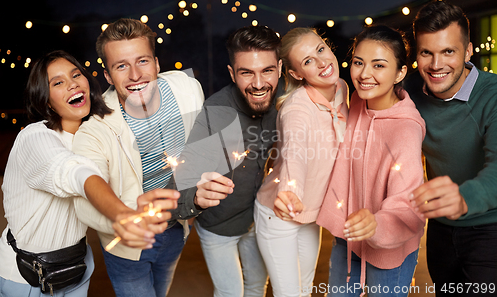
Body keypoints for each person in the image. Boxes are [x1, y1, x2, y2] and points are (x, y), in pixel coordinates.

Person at [0, 50, 179, 297]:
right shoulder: (35, 137)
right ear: (46, 99)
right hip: (27, 277)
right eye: (58, 82)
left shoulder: (97, 135)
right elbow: (75, 172)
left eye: (76, 75)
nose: (72, 84)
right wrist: (122, 214)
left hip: (77, 269)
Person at [71, 18, 224, 297]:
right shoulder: (95, 129)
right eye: (121, 66)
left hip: (177, 229)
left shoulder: (187, 89)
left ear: (156, 64)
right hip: (126, 247)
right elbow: (84, 198)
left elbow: (199, 146)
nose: (134, 75)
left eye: (142, 61)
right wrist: (126, 219)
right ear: (107, 76)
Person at [170, 25, 283, 297]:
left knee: (257, 286)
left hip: (258, 219)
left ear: (280, 68)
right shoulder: (215, 113)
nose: (258, 84)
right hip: (218, 228)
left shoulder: (287, 100)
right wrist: (197, 196)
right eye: (247, 73)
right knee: (231, 293)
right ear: (232, 73)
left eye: (267, 70)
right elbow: (177, 186)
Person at [317, 25, 426, 297]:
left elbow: (409, 203)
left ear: (400, 72)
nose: (364, 74)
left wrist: (377, 224)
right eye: (358, 63)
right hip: (348, 235)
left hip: (389, 247)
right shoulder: (356, 101)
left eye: (378, 65)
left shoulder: (406, 130)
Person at [408, 0, 497, 296]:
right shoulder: (410, 97)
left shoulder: (492, 95)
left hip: (490, 229)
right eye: (426, 53)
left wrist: (462, 198)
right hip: (440, 233)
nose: (436, 65)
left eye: (448, 51)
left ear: (468, 51)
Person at [253, 27, 348, 297]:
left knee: (304, 290)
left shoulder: (341, 87)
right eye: (307, 61)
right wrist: (290, 193)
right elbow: (295, 153)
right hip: (280, 211)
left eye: (320, 50)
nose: (321, 62)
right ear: (296, 74)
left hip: (311, 213)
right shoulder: (296, 108)